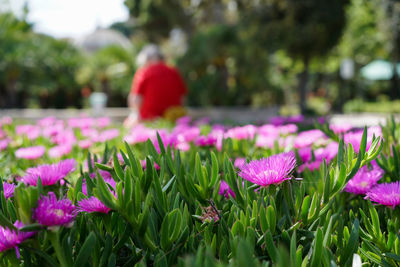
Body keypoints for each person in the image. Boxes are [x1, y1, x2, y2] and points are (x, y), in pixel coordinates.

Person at [124, 45, 187, 127]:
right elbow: (183, 98)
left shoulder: (144, 72)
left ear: (147, 59)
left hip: (148, 120)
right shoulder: (174, 71)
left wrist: (135, 114)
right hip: (173, 119)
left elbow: (135, 99)